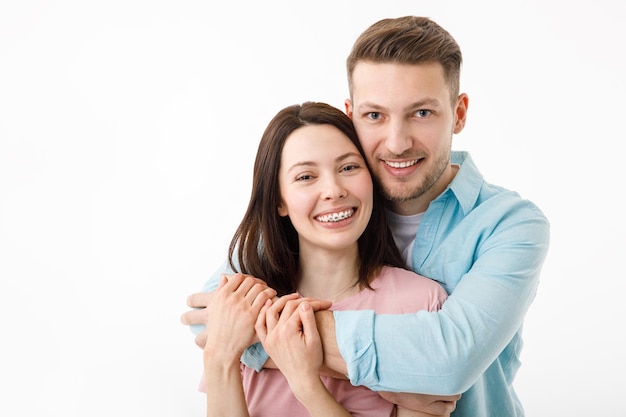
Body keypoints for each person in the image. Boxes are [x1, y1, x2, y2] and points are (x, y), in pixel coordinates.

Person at [182, 16, 550, 417]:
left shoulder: (512, 225)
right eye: (375, 115)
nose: (397, 142)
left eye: (422, 113)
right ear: (352, 114)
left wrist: (283, 333)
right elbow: (210, 318)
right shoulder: (326, 212)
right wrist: (399, 369)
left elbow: (449, 364)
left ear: (459, 113)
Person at [200, 101, 456, 416]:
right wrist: (219, 356)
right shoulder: (244, 306)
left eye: (348, 168)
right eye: (306, 177)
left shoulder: (422, 304)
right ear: (279, 200)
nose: (333, 190)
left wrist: (306, 382)